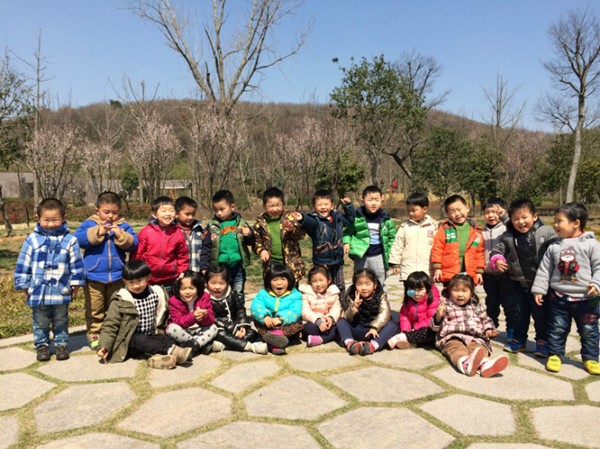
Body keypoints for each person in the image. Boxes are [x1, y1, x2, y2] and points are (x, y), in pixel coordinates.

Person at [531, 202, 600, 375]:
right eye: (554, 221)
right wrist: (539, 290)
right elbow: (545, 270)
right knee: (557, 328)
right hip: (559, 297)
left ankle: (591, 358)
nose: (555, 225)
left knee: (589, 330)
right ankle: (555, 354)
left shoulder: (592, 244)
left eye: (559, 221)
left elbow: (599, 266)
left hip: (586, 299)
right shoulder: (554, 246)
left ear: (576, 223)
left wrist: (596, 284)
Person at [14, 198, 85, 362]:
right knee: (40, 320)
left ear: (64, 218)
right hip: (38, 290)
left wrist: (76, 283)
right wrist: (23, 283)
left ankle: (61, 345)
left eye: (55, 220)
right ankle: (42, 346)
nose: (51, 224)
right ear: (38, 218)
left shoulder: (70, 240)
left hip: (61, 289)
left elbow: (76, 264)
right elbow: (24, 262)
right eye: (46, 220)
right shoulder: (32, 239)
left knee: (61, 319)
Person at [490, 199, 557, 357]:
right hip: (518, 285)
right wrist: (497, 259)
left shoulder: (546, 232)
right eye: (516, 219)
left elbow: (559, 248)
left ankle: (543, 341)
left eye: (524, 217)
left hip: (541, 286)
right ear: (511, 221)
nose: (520, 222)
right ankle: (519, 340)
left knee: (542, 316)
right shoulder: (508, 236)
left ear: (535, 216)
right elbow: (498, 249)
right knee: (519, 314)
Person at [97, 260, 192, 369]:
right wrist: (104, 346)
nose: (136, 285)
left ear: (148, 277)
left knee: (166, 339)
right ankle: (172, 351)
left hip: (151, 335)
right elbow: (110, 324)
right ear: (124, 281)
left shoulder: (156, 293)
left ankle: (160, 358)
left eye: (139, 280)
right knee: (140, 340)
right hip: (129, 340)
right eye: (131, 282)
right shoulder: (121, 299)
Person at [75, 191, 139, 350]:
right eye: (106, 212)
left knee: (114, 307)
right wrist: (98, 232)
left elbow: (133, 244)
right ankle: (94, 333)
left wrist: (120, 235)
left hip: (117, 276)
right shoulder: (89, 224)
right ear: (97, 210)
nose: (110, 216)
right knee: (95, 309)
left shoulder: (123, 225)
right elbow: (79, 239)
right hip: (93, 276)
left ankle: (111, 333)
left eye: (114, 212)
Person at [431, 273, 509, 377]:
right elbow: (434, 327)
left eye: (464, 291)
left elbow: (486, 320)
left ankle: (485, 365)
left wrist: (489, 330)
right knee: (456, 349)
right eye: (456, 290)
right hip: (452, 337)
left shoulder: (476, 306)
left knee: (479, 349)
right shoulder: (445, 305)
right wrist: (438, 316)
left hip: (475, 337)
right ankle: (465, 363)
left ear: (471, 292)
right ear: (449, 291)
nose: (460, 294)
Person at [292, 189, 355, 292]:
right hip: (321, 261)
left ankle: (341, 302)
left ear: (332, 206)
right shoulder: (315, 220)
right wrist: (302, 218)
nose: (323, 207)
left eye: (326, 204)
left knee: (339, 285)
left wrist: (348, 206)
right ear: (314, 207)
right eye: (319, 205)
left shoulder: (337, 217)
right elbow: (310, 222)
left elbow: (350, 220)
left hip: (337, 260)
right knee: (322, 285)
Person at [342, 185, 397, 288]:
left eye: (377, 200)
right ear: (363, 201)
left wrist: (391, 256)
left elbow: (392, 238)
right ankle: (359, 297)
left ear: (381, 202)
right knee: (360, 279)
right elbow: (348, 232)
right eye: (370, 200)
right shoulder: (357, 218)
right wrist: (346, 242)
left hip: (379, 255)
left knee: (379, 279)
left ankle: (381, 297)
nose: (373, 203)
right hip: (361, 255)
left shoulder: (386, 219)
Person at [132, 196, 189, 294]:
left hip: (170, 279)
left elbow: (182, 255)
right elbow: (138, 254)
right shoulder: (146, 232)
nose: (168, 214)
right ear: (154, 214)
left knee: (169, 301)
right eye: (163, 211)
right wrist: (136, 271)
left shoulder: (178, 233)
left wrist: (181, 272)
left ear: (176, 214)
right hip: (148, 278)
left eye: (171, 211)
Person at [205, 266, 268, 354]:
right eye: (213, 283)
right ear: (207, 283)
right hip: (218, 327)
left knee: (252, 333)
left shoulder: (232, 292)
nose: (217, 287)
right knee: (219, 334)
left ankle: (224, 346)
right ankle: (250, 347)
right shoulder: (205, 298)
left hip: (235, 324)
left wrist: (242, 325)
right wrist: (233, 330)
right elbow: (213, 319)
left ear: (227, 282)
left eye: (221, 283)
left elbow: (240, 309)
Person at [337, 268, 397, 356]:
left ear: (375, 285)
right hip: (358, 327)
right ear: (354, 285)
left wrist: (375, 327)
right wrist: (354, 307)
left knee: (392, 325)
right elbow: (347, 318)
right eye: (359, 284)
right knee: (341, 322)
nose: (364, 288)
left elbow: (385, 313)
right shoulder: (351, 296)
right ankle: (350, 343)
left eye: (367, 284)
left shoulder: (380, 296)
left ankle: (372, 346)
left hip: (375, 331)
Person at [208, 190, 254, 301]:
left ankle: (240, 310)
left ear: (232, 207)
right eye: (216, 210)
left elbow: (252, 241)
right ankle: (225, 310)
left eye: (222, 209)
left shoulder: (240, 223)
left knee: (239, 291)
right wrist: (205, 266)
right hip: (221, 267)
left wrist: (249, 234)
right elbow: (206, 247)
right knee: (223, 292)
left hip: (238, 266)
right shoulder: (213, 226)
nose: (219, 213)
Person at [253, 187, 306, 285]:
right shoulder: (260, 224)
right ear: (264, 206)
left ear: (283, 204)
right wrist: (261, 250)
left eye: (278, 205)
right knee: (275, 287)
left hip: (291, 263)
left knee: (292, 288)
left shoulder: (290, 218)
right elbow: (256, 242)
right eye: (271, 206)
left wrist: (292, 230)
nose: (275, 209)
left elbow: (301, 234)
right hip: (271, 263)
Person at [431, 195, 484, 286]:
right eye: (452, 211)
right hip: (450, 273)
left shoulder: (476, 230)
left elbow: (479, 252)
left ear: (467, 208)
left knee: (467, 293)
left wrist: (479, 272)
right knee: (450, 294)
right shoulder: (445, 228)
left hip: (469, 273)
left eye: (459, 209)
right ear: (448, 214)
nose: (457, 214)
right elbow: (437, 248)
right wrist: (437, 268)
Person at [250, 263, 303, 355]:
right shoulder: (263, 293)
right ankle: (276, 341)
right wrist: (265, 316)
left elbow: (295, 311)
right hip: (268, 325)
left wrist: (280, 319)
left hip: (285, 324)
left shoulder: (295, 295)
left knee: (297, 323)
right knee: (258, 322)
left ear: (289, 280)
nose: (279, 283)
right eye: (275, 280)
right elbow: (256, 306)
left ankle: (273, 341)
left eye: (283, 279)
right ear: (269, 281)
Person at [481, 197, 514, 340]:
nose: (491, 216)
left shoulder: (507, 228)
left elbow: (514, 226)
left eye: (495, 212)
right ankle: (491, 327)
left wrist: (505, 216)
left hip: (506, 274)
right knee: (491, 303)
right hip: (489, 274)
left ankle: (512, 330)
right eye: (487, 212)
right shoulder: (481, 231)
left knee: (509, 304)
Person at [165, 270, 218, 356]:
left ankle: (192, 347)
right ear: (178, 289)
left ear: (198, 288)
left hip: (199, 329)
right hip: (183, 331)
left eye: (191, 288)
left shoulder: (204, 297)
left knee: (214, 327)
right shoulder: (174, 301)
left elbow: (211, 319)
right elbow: (177, 321)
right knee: (171, 328)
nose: (187, 292)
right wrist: (193, 317)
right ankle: (199, 345)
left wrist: (204, 316)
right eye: (183, 289)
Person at [388, 192, 439, 281]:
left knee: (425, 289)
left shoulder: (433, 227)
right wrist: (395, 263)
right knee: (409, 289)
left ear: (425, 209)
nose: (410, 213)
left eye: (414, 210)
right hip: (408, 270)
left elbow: (438, 247)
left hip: (427, 270)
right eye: (408, 210)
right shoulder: (405, 227)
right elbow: (398, 245)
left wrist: (438, 267)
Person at [387, 271, 440, 349]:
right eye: (413, 290)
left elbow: (431, 319)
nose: (416, 293)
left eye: (420, 290)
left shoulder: (433, 300)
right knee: (395, 326)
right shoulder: (409, 299)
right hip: (412, 326)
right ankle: (408, 340)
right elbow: (404, 316)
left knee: (429, 332)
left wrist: (415, 328)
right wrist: (406, 330)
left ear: (427, 289)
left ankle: (403, 338)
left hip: (426, 327)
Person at [300, 264, 342, 347]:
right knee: (308, 328)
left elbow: (336, 309)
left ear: (328, 280)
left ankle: (320, 339)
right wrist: (318, 321)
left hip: (327, 322)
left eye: (321, 280)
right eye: (314, 281)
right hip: (313, 322)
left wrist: (331, 318)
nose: (318, 284)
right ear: (310, 282)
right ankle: (330, 336)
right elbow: (305, 311)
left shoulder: (333, 293)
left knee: (340, 325)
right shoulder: (306, 294)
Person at [175, 196, 211, 275]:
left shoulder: (200, 231)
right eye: (187, 214)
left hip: (197, 273)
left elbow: (206, 251)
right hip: (179, 275)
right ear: (176, 214)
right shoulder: (172, 232)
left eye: (193, 214)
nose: (190, 217)